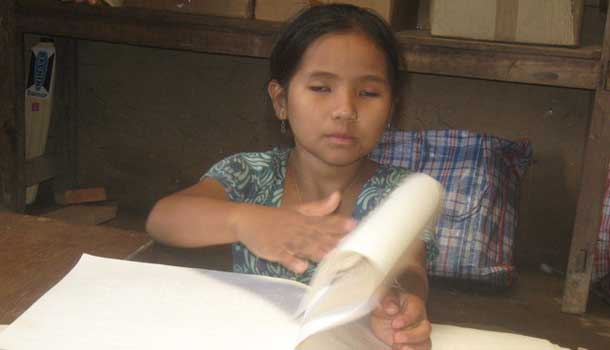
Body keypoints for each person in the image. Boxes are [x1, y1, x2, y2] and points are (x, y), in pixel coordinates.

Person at [146, 4, 437, 350]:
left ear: (391, 107)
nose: (345, 110)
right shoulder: (249, 174)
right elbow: (163, 218)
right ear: (281, 100)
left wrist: (398, 305)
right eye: (320, 88)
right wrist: (245, 221)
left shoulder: (400, 194)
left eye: (368, 93)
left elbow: (411, 266)